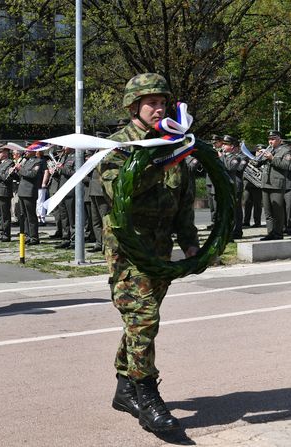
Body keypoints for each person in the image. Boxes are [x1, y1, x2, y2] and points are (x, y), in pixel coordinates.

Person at [98, 73, 199, 433]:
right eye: (151, 102)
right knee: (143, 318)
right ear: (133, 106)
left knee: (142, 318)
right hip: (128, 250)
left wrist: (189, 241)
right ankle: (147, 396)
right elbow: (116, 190)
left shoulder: (175, 143)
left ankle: (125, 388)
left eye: (162, 102)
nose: (158, 108)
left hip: (160, 250)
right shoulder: (117, 147)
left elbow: (183, 199)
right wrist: (158, 164)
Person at [253, 130, 291, 241]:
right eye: (269, 139)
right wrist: (257, 158)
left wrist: (272, 158)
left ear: (279, 139)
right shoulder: (269, 150)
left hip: (277, 185)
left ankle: (278, 234)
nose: (270, 141)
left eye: (273, 139)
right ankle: (270, 233)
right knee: (268, 212)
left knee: (277, 211)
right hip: (265, 184)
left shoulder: (286, 151)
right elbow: (257, 164)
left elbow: (286, 165)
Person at [15, 148, 45, 245]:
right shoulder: (25, 161)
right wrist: (16, 170)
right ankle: (27, 235)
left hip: (29, 191)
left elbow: (32, 174)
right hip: (22, 191)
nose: (25, 152)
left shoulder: (38, 161)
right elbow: (21, 175)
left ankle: (34, 237)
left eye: (28, 151)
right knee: (24, 216)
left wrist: (20, 169)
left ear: (33, 151)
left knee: (31, 216)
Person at [221, 135, 246, 239]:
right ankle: (229, 231)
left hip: (235, 186)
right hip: (227, 186)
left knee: (236, 210)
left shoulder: (236, 157)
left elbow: (230, 168)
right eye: (223, 143)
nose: (223, 146)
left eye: (225, 144)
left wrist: (221, 157)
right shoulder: (225, 156)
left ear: (232, 146)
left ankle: (236, 232)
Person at [0, 144, 16, 242]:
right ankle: (1, 232)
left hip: (4, 191)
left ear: (5, 153)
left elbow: (6, 177)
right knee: (0, 214)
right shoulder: (0, 163)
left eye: (0, 152)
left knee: (5, 214)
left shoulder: (10, 163)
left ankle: (6, 234)